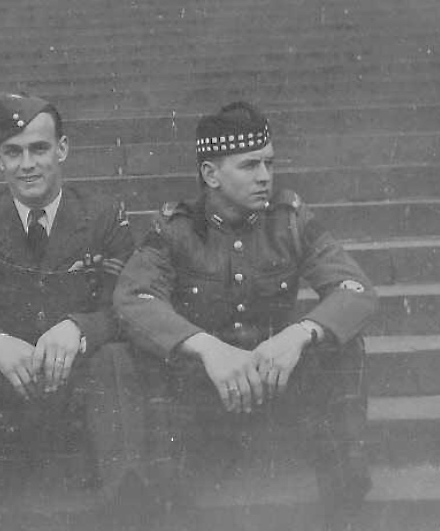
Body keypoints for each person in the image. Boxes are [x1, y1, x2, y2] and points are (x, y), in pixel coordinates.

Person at [113, 101, 378, 528]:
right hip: (203, 395)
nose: (265, 176)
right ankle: (170, 497)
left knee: (344, 342)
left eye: (269, 163)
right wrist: (206, 348)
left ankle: (345, 489)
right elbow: (133, 299)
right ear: (211, 174)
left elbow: (356, 289)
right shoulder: (176, 229)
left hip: (276, 384)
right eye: (250, 165)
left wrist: (298, 334)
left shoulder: (289, 220)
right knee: (146, 357)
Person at [0, 92, 144, 524]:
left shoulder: (104, 217)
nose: (27, 164)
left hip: (78, 393)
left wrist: (79, 329)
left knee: (117, 358)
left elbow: (127, 307)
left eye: (39, 149)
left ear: (62, 149)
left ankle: (124, 509)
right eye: (13, 152)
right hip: (0, 397)